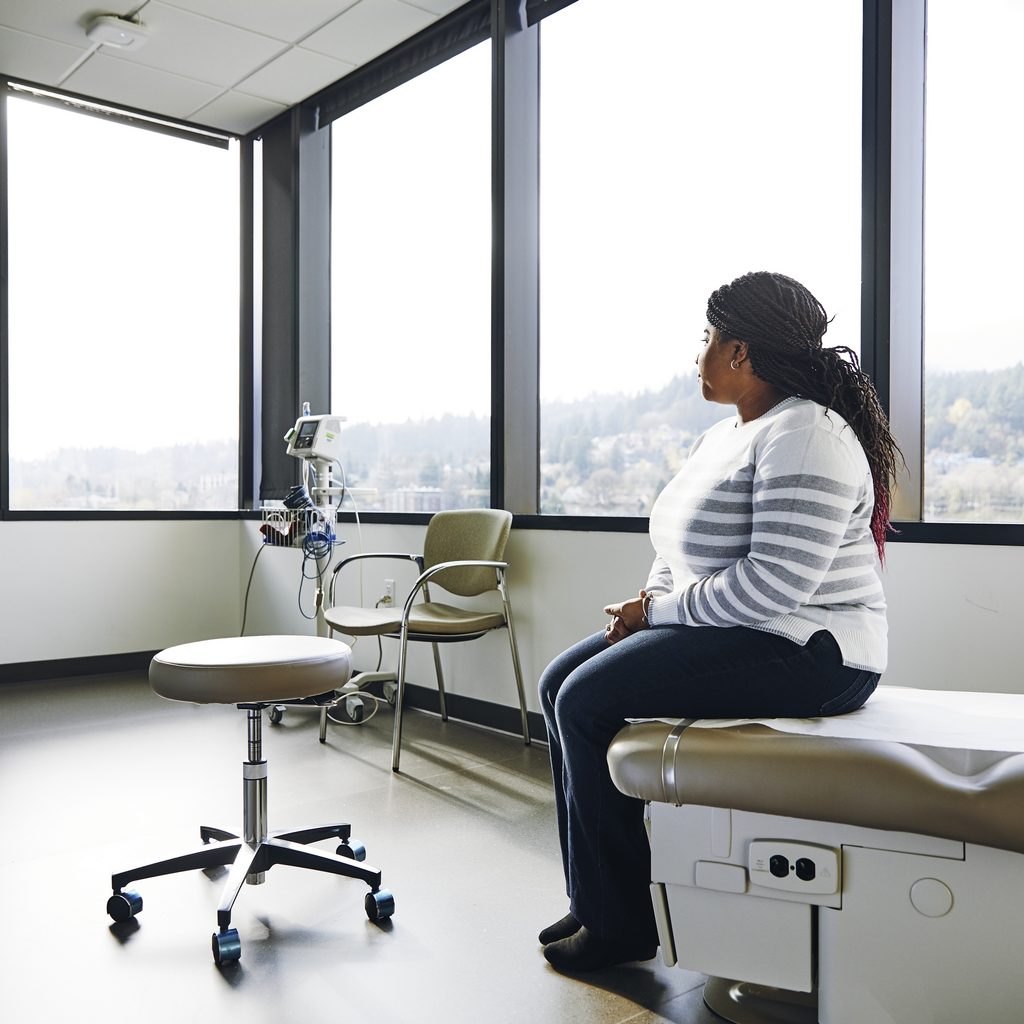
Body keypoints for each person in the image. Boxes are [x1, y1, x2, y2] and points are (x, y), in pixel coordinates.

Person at [537, 271, 901, 973]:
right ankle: (596, 899)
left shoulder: (809, 433)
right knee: (560, 684)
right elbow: (676, 551)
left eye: (705, 338)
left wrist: (658, 616)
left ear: (739, 352)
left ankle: (619, 927)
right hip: (739, 632)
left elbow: (773, 588)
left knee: (585, 701)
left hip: (815, 652)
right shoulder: (727, 436)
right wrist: (648, 607)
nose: (696, 353)